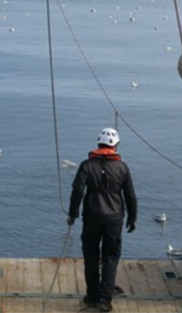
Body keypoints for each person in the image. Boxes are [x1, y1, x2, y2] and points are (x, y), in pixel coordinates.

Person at [68, 128, 137, 313]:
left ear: (98, 144)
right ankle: (104, 301)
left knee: (91, 256)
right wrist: (132, 217)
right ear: (115, 145)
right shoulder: (122, 168)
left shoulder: (86, 165)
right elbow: (130, 195)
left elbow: (77, 191)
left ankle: (91, 296)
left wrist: (72, 214)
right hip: (114, 219)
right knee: (110, 258)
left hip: (91, 217)